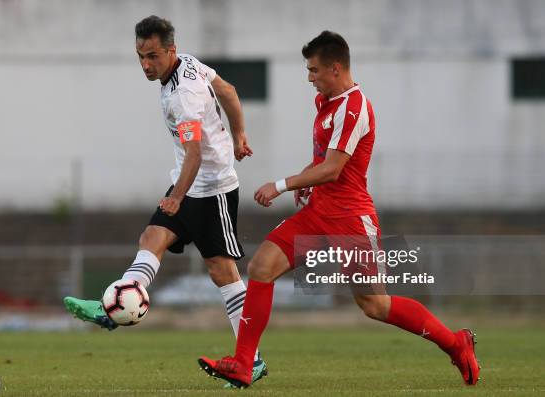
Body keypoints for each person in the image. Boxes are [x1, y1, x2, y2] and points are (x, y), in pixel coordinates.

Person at [197, 31, 480, 388]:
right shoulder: (325, 102)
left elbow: (333, 169)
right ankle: (242, 362)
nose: (309, 78)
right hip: (318, 213)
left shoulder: (355, 105)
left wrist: (283, 185)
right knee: (261, 267)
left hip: (350, 219)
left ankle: (456, 343)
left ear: (335, 68)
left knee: (375, 304)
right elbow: (322, 160)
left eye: (314, 70)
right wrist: (306, 185)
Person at [63, 15, 267, 386]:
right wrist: (238, 134)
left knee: (222, 271)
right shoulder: (187, 63)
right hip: (189, 184)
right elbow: (230, 91)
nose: (145, 64)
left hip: (211, 189)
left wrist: (177, 197)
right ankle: (116, 306)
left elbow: (195, 155)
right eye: (140, 55)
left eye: (152, 56)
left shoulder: (183, 96)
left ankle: (250, 359)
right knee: (151, 239)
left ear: (170, 50)